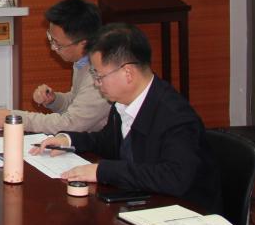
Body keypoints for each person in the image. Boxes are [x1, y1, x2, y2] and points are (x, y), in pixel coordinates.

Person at [31, 23, 220, 211]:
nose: (96, 84)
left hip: (185, 213)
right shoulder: (123, 103)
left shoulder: (175, 116)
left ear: (128, 73)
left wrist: (103, 171)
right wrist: (69, 140)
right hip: (144, 204)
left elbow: (174, 177)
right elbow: (108, 142)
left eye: (99, 75)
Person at [0, 0, 110, 133]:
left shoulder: (101, 74)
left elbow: (71, 124)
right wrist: (54, 100)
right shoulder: (82, 61)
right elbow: (76, 102)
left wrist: (14, 118)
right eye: (50, 38)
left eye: (58, 44)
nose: (53, 48)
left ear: (83, 44)